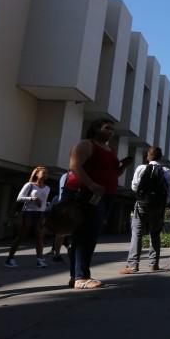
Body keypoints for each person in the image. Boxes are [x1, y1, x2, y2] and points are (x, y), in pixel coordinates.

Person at [64, 118, 134, 289]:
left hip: (106, 195)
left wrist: (123, 166)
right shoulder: (86, 145)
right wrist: (91, 185)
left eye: (112, 129)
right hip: (87, 194)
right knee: (85, 236)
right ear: (96, 128)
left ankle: (77, 276)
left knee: (90, 235)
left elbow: (113, 173)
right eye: (107, 128)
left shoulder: (111, 149)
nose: (111, 131)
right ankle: (81, 277)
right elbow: (75, 166)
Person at [120, 147, 170, 274]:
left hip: (142, 204)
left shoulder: (141, 168)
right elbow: (168, 190)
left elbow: (134, 187)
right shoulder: (166, 171)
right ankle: (154, 264)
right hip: (158, 206)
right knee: (155, 234)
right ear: (161, 157)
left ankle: (133, 265)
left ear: (148, 157)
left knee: (137, 233)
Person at [5, 166, 51, 268]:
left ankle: (40, 259)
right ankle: (10, 258)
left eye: (47, 173)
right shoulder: (29, 185)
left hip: (40, 214)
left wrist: (46, 208)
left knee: (39, 237)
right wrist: (32, 198)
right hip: (28, 213)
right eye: (43, 173)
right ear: (36, 174)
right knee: (21, 236)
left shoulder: (48, 188)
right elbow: (19, 198)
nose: (46, 175)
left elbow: (43, 202)